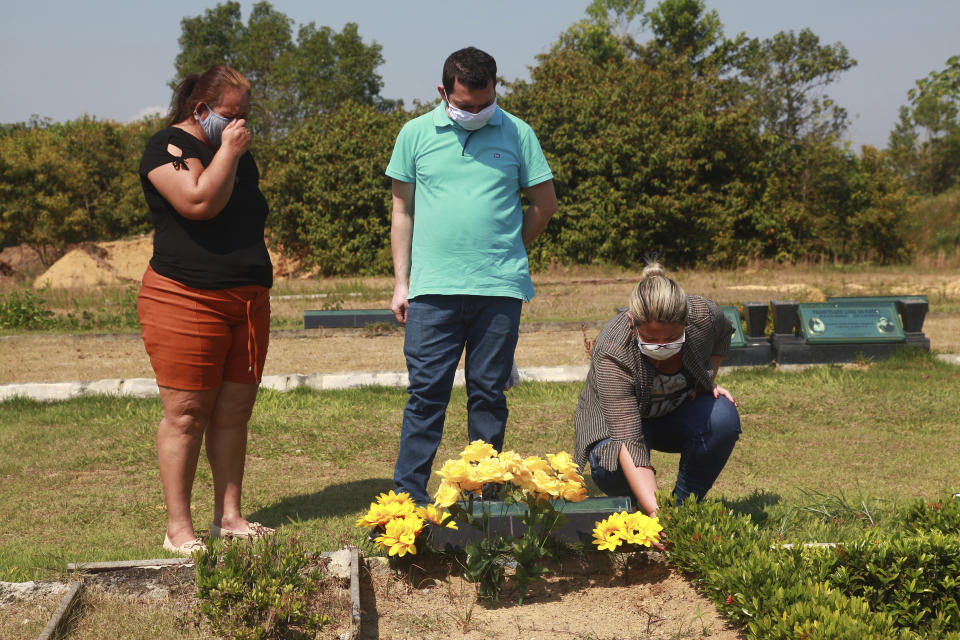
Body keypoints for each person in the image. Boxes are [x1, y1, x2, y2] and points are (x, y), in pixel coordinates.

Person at [386, 47, 558, 504]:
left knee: (488, 395)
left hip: (498, 291)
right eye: (465, 105)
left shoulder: (519, 134)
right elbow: (402, 209)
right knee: (426, 396)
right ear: (444, 92)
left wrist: (509, 251)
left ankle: (486, 498)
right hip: (432, 292)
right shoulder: (414, 134)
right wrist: (402, 282)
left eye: (485, 104)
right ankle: (408, 500)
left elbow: (545, 205)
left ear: (496, 89)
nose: (477, 113)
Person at [137, 64, 275, 555]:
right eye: (229, 115)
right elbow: (198, 202)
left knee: (235, 411)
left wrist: (233, 152)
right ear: (201, 109)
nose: (238, 125)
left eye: (244, 116)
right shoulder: (167, 147)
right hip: (184, 298)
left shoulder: (233, 151)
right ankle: (179, 529)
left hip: (247, 301)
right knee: (187, 414)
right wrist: (231, 152)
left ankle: (229, 516)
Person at [573, 261, 741, 518]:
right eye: (650, 340)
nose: (661, 346)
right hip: (616, 427)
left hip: (672, 415)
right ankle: (640, 509)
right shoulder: (612, 350)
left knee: (722, 417)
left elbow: (723, 333)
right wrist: (656, 515)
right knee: (611, 464)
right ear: (632, 322)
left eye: (671, 338)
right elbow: (628, 440)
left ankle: (683, 509)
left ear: (686, 322)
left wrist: (705, 380)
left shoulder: (703, 316)